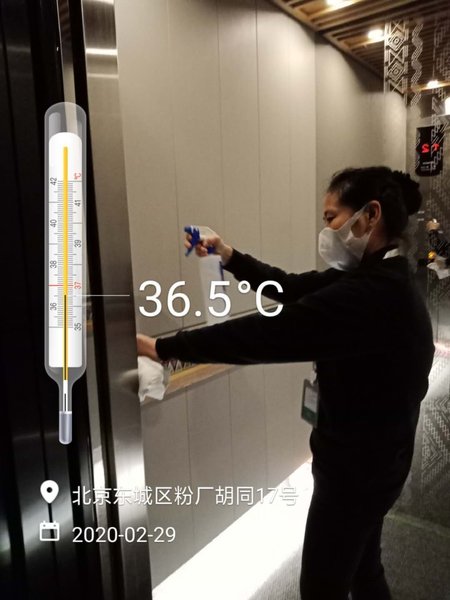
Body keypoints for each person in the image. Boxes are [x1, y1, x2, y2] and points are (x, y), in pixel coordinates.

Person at [137, 166, 435, 600]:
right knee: (364, 569)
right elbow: (291, 287)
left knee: (322, 586)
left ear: (370, 215)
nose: (326, 231)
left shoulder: (372, 295)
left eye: (331, 218)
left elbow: (268, 333)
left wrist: (164, 347)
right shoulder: (379, 275)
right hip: (378, 460)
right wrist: (229, 256)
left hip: (357, 472)